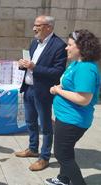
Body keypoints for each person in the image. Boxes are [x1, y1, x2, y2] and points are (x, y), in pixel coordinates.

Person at [45, 29, 101, 185]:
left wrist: (58, 91)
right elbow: (69, 85)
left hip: (74, 120)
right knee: (66, 150)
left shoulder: (86, 69)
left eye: (69, 45)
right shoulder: (76, 63)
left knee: (62, 154)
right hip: (65, 116)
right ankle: (63, 179)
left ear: (81, 47)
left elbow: (83, 99)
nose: (66, 48)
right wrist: (59, 87)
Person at [15, 15, 67, 171]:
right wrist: (23, 65)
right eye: (34, 24)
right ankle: (32, 148)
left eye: (38, 25)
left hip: (43, 92)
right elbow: (30, 65)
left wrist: (34, 67)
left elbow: (58, 72)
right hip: (29, 88)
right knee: (30, 122)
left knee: (45, 126)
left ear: (49, 27)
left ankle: (44, 157)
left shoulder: (59, 45)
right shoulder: (34, 42)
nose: (34, 28)